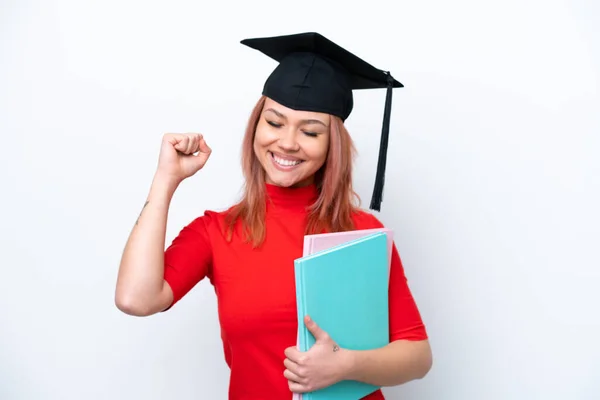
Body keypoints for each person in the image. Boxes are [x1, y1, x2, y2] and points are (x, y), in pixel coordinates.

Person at [115, 32, 432, 399]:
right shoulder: (218, 232)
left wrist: (345, 365)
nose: (287, 143)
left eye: (310, 131)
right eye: (275, 123)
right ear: (256, 126)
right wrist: (165, 179)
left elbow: (417, 355)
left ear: (332, 145)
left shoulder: (363, 233)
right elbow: (136, 299)